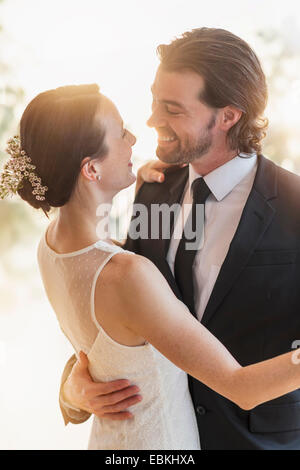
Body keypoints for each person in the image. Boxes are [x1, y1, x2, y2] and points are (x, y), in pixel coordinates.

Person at [58, 28, 300, 450]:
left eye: (171, 109)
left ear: (228, 116)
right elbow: (124, 312)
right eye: (154, 100)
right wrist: (73, 391)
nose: (152, 119)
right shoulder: (151, 188)